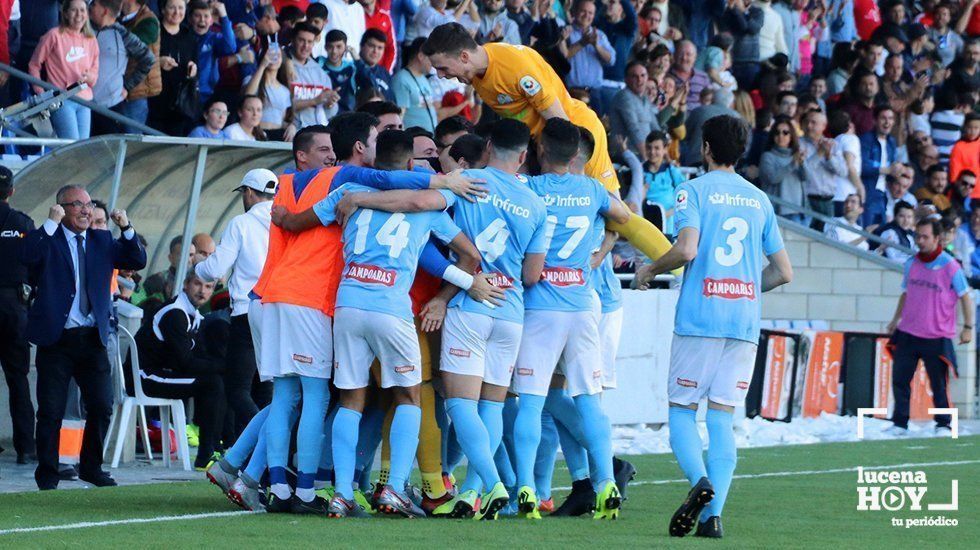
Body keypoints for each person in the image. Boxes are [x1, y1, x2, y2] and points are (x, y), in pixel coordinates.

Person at [250, 111, 482, 515]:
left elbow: (301, 221)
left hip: (347, 306)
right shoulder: (429, 205)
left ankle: (339, 492)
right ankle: (393, 487)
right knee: (409, 395)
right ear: (411, 165)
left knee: (351, 401)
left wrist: (285, 216)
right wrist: (455, 288)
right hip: (393, 308)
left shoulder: (349, 190)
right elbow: (470, 255)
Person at [332, 118, 543, 520]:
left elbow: (416, 205)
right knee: (491, 407)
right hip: (510, 308)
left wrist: (359, 200)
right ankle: (473, 491)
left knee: (455, 404)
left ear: (487, 147)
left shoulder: (463, 183)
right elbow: (532, 274)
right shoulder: (534, 200)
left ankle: (486, 482)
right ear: (522, 156)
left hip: (462, 306)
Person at [634, 115, 793, 538]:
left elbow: (686, 248)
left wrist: (651, 268)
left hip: (701, 317)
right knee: (722, 418)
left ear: (705, 148)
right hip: (743, 321)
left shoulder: (693, 190)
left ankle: (699, 483)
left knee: (683, 410)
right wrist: (744, 288)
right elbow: (783, 272)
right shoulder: (759, 199)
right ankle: (713, 519)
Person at [421, 22, 673, 264]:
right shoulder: (478, 73)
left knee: (617, 213)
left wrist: (570, 169)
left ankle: (675, 264)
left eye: (443, 68)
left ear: (464, 56)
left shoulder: (515, 69)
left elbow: (560, 122)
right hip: (543, 145)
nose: (442, 76)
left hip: (577, 134)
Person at [510, 118, 631, 520]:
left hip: (541, 307)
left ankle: (526, 487)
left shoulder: (529, 188)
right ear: (576, 154)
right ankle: (606, 483)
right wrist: (605, 237)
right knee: (589, 402)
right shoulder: (592, 189)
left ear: (540, 150)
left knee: (531, 401)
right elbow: (625, 216)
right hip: (582, 305)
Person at [21, 185, 146, 490]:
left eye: (88, 204)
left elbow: (137, 259)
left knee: (102, 405)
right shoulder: (49, 238)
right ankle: (48, 474)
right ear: (61, 208)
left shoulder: (101, 240)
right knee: (50, 411)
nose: (86, 210)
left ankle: (91, 467)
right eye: (77, 205)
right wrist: (49, 224)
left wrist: (126, 227)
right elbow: (26, 257)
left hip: (92, 338)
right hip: (57, 339)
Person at [195, 169, 276, 437]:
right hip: (279, 310)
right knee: (266, 388)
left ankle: (267, 439)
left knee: (237, 390)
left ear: (249, 192)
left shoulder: (241, 223)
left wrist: (198, 268)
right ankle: (265, 460)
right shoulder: (284, 220)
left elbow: (215, 269)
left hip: (246, 311)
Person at [885, 218, 973, 435]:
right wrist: (895, 320)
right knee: (900, 380)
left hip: (937, 336)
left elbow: (965, 297)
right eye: (918, 236)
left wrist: (968, 327)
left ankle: (943, 423)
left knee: (939, 384)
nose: (920, 241)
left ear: (936, 238)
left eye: (925, 237)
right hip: (908, 332)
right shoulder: (911, 264)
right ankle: (899, 423)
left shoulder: (951, 266)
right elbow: (905, 293)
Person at [130, 269, 224, 468]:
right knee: (211, 383)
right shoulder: (175, 313)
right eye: (198, 284)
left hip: (161, 373)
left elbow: (195, 357)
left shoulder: (192, 315)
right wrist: (223, 367)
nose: (202, 291)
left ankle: (213, 447)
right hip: (145, 377)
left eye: (208, 287)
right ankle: (206, 454)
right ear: (186, 284)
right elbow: (185, 363)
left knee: (213, 380)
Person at [0, 166, 35, 465]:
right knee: (19, 380)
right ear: (11, 191)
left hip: (13, 305)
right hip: (14, 308)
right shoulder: (22, 223)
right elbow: (39, 264)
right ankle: (25, 447)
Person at [28, 0, 99, 140]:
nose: (79, 15)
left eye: (83, 10)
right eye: (74, 10)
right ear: (65, 13)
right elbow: (34, 65)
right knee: (71, 147)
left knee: (82, 148)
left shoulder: (91, 39)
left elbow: (95, 73)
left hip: (85, 101)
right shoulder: (53, 35)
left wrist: (89, 77)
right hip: (62, 100)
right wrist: (41, 93)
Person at [88, 0, 154, 135]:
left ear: (105, 11)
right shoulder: (85, 30)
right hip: (84, 104)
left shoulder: (122, 34)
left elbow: (148, 59)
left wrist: (128, 85)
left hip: (111, 106)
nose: (89, 8)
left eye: (94, 4)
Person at [149, 0, 199, 136]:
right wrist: (158, 62)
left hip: (180, 105)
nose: (177, 12)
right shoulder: (154, 31)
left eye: (181, 8)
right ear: (163, 9)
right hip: (154, 101)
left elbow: (196, 64)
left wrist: (193, 70)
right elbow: (139, 61)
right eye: (172, 7)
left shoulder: (190, 36)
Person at [289, 22, 340, 129]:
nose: (305, 46)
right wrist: (314, 101)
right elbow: (282, 106)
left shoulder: (320, 73)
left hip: (317, 132)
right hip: (291, 131)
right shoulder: (283, 67)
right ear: (293, 40)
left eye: (310, 42)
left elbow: (329, 114)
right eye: (301, 40)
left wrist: (330, 104)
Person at [608, 61, 661, 159]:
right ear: (626, 79)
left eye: (642, 75)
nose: (639, 80)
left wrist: (663, 154)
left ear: (647, 77)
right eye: (634, 76)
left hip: (645, 154)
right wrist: (646, 158)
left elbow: (655, 127)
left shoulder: (644, 98)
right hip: (626, 155)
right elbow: (633, 128)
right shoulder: (624, 97)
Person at [391, 38, 440, 134]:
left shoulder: (424, 79)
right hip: (413, 141)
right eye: (431, 56)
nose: (434, 62)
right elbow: (399, 116)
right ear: (421, 56)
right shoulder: (402, 79)